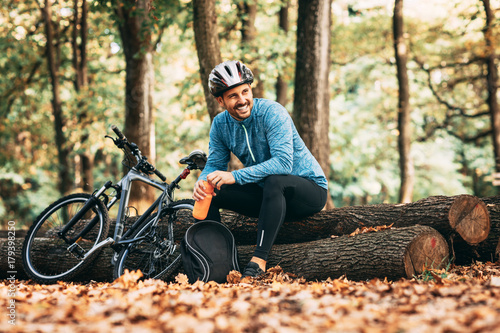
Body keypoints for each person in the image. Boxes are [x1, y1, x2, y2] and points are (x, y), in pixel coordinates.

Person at [193, 60, 328, 278]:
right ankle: (216, 262)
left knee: (276, 180)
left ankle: (259, 260)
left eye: (245, 92)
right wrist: (203, 182)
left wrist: (234, 176)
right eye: (233, 96)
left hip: (307, 191)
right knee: (211, 190)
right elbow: (215, 164)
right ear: (221, 100)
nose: (242, 100)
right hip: (268, 196)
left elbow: (283, 163)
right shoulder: (220, 125)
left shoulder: (272, 112)